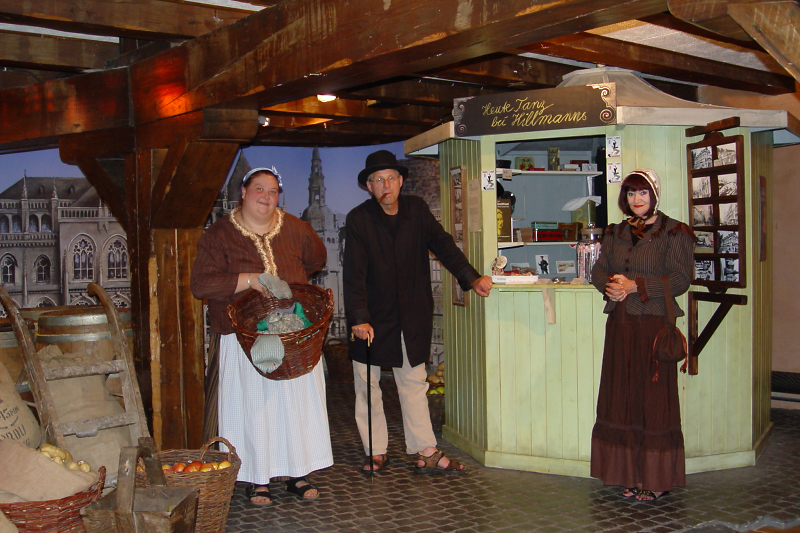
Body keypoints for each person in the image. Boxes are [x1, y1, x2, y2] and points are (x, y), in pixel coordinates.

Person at [343, 150, 493, 475]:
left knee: (414, 381)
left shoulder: (417, 210)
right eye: (378, 180)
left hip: (411, 314)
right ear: (369, 186)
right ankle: (375, 450)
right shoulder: (358, 219)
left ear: (401, 181)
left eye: (391, 178)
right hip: (370, 317)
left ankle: (425, 449)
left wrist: (472, 278)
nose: (386, 185)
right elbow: (353, 273)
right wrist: (358, 318)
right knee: (366, 384)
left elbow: (445, 246)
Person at [190, 167, 332, 506]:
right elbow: (201, 284)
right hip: (245, 338)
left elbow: (318, 258)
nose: (266, 197)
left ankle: (299, 472)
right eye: (259, 189)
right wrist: (251, 279)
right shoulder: (220, 234)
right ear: (243, 192)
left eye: (272, 191)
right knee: (255, 407)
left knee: (297, 405)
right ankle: (257, 478)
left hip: (295, 336)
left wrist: (292, 284)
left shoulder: (295, 227)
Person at [589, 168, 694, 502]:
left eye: (643, 193)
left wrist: (637, 286)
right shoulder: (615, 232)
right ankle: (628, 474)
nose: (637, 200)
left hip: (654, 325)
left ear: (655, 194)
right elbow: (599, 269)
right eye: (632, 194)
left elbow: (681, 279)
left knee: (654, 401)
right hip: (620, 323)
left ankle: (658, 479)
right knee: (620, 396)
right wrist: (612, 288)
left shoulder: (675, 232)